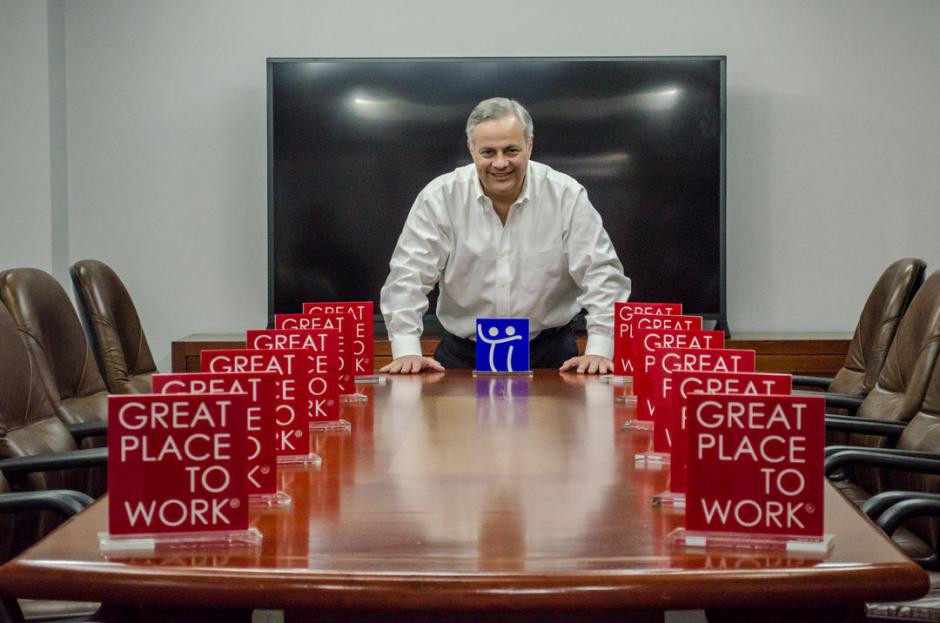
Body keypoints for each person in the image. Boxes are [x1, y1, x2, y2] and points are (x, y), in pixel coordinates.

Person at [379, 97, 631, 374]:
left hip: (551, 356)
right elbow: (408, 277)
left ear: (529, 146)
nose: (500, 163)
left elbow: (602, 276)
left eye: (511, 150)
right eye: (488, 152)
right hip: (461, 356)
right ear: (471, 150)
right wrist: (406, 351)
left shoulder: (565, 196)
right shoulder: (439, 197)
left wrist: (599, 350)